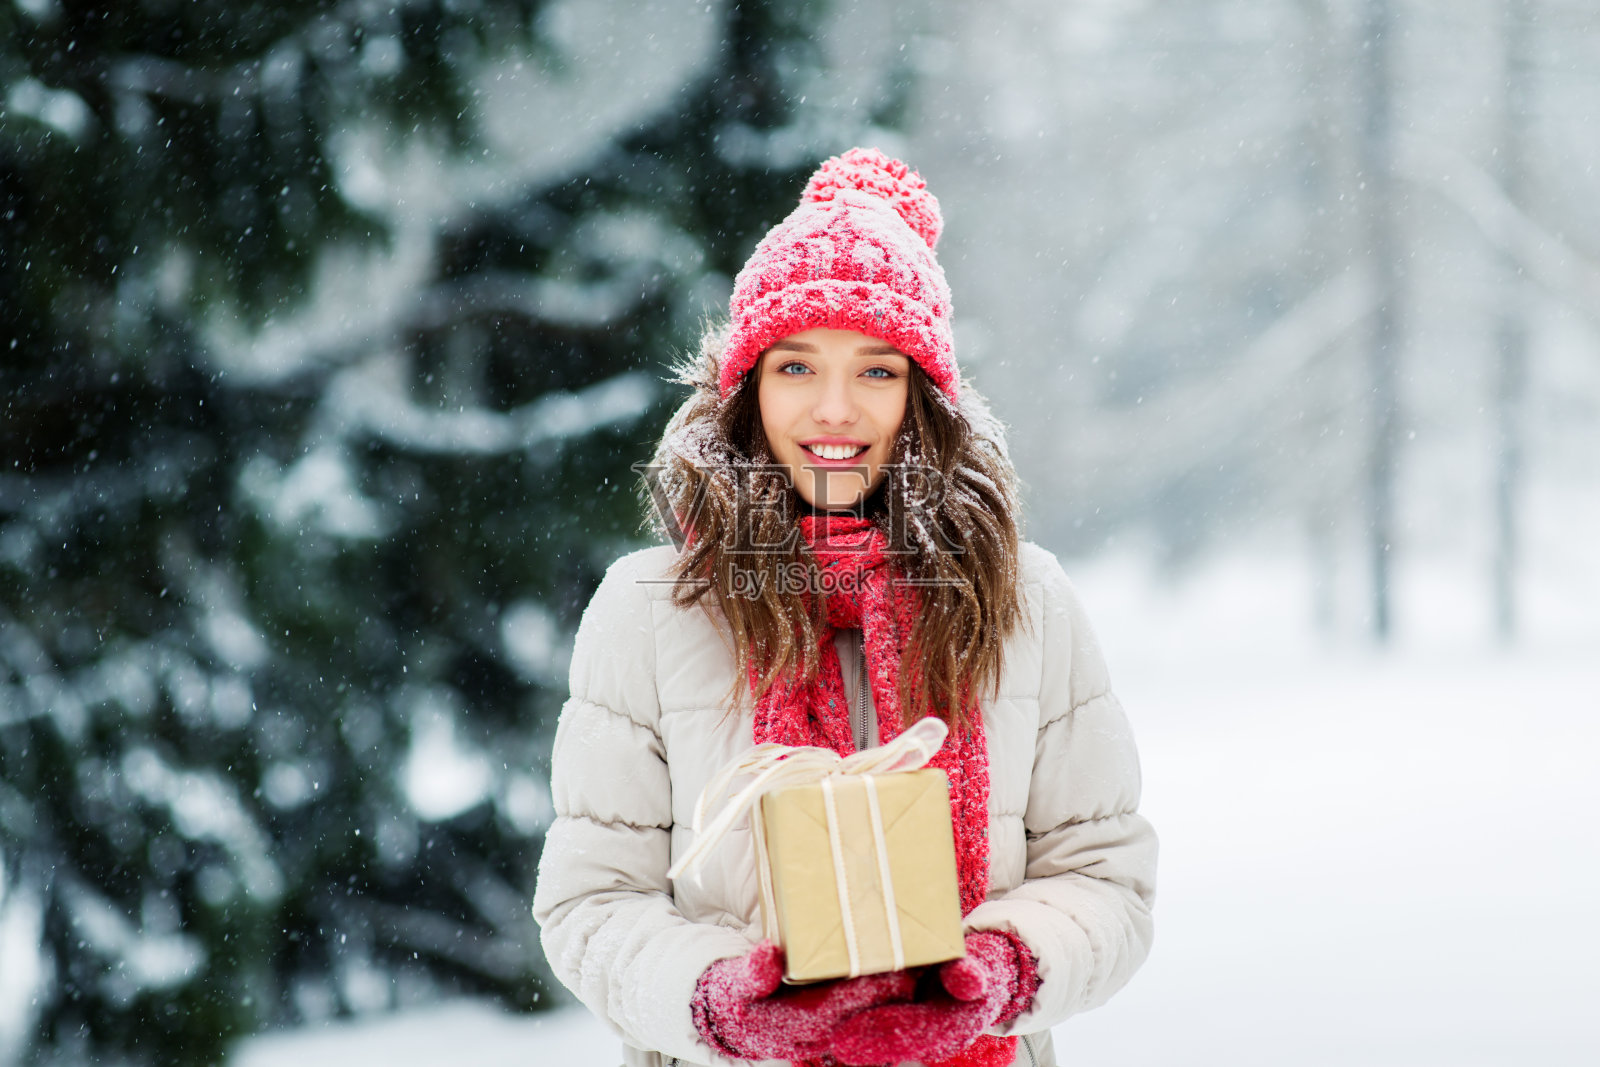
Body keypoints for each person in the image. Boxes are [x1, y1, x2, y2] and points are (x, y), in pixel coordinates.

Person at [533, 148, 1157, 1067]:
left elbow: (1105, 878)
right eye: (796, 368)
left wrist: (1002, 969)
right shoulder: (648, 611)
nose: (834, 411)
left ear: (924, 394)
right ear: (748, 386)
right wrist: (716, 1000)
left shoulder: (1027, 603)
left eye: (876, 371)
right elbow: (590, 903)